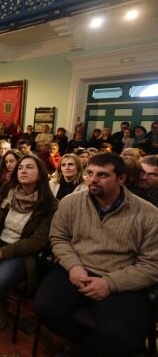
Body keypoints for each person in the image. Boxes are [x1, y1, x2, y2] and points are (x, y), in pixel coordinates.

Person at [34, 152, 158, 357]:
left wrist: (109, 283)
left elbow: (152, 264)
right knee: (44, 308)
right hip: (78, 269)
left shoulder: (148, 214)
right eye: (89, 173)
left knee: (127, 339)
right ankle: (89, 345)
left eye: (102, 175)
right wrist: (73, 266)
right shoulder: (70, 202)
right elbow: (59, 238)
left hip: (121, 276)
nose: (92, 180)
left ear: (121, 178)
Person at [0, 155, 57, 330]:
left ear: (41, 173)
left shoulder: (49, 204)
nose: (23, 170)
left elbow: (38, 240)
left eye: (29, 167)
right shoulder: (8, 190)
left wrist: (3, 253)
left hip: (21, 250)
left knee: (0, 278)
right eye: (20, 167)